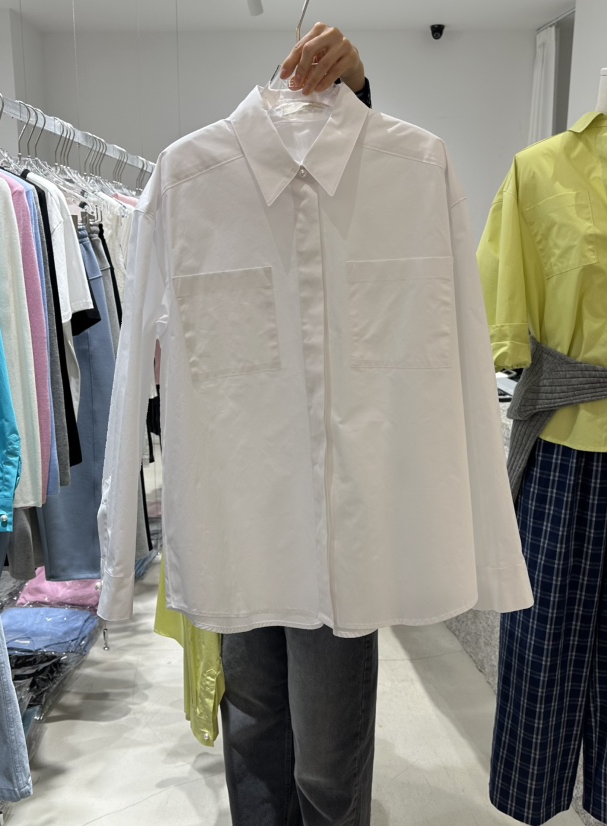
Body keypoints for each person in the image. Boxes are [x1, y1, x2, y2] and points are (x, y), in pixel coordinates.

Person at [219, 23, 376, 826]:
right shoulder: (205, 179)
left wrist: (360, 95)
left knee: (327, 747)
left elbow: (364, 198)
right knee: (251, 713)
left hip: (333, 509)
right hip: (241, 498)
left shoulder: (385, 174)